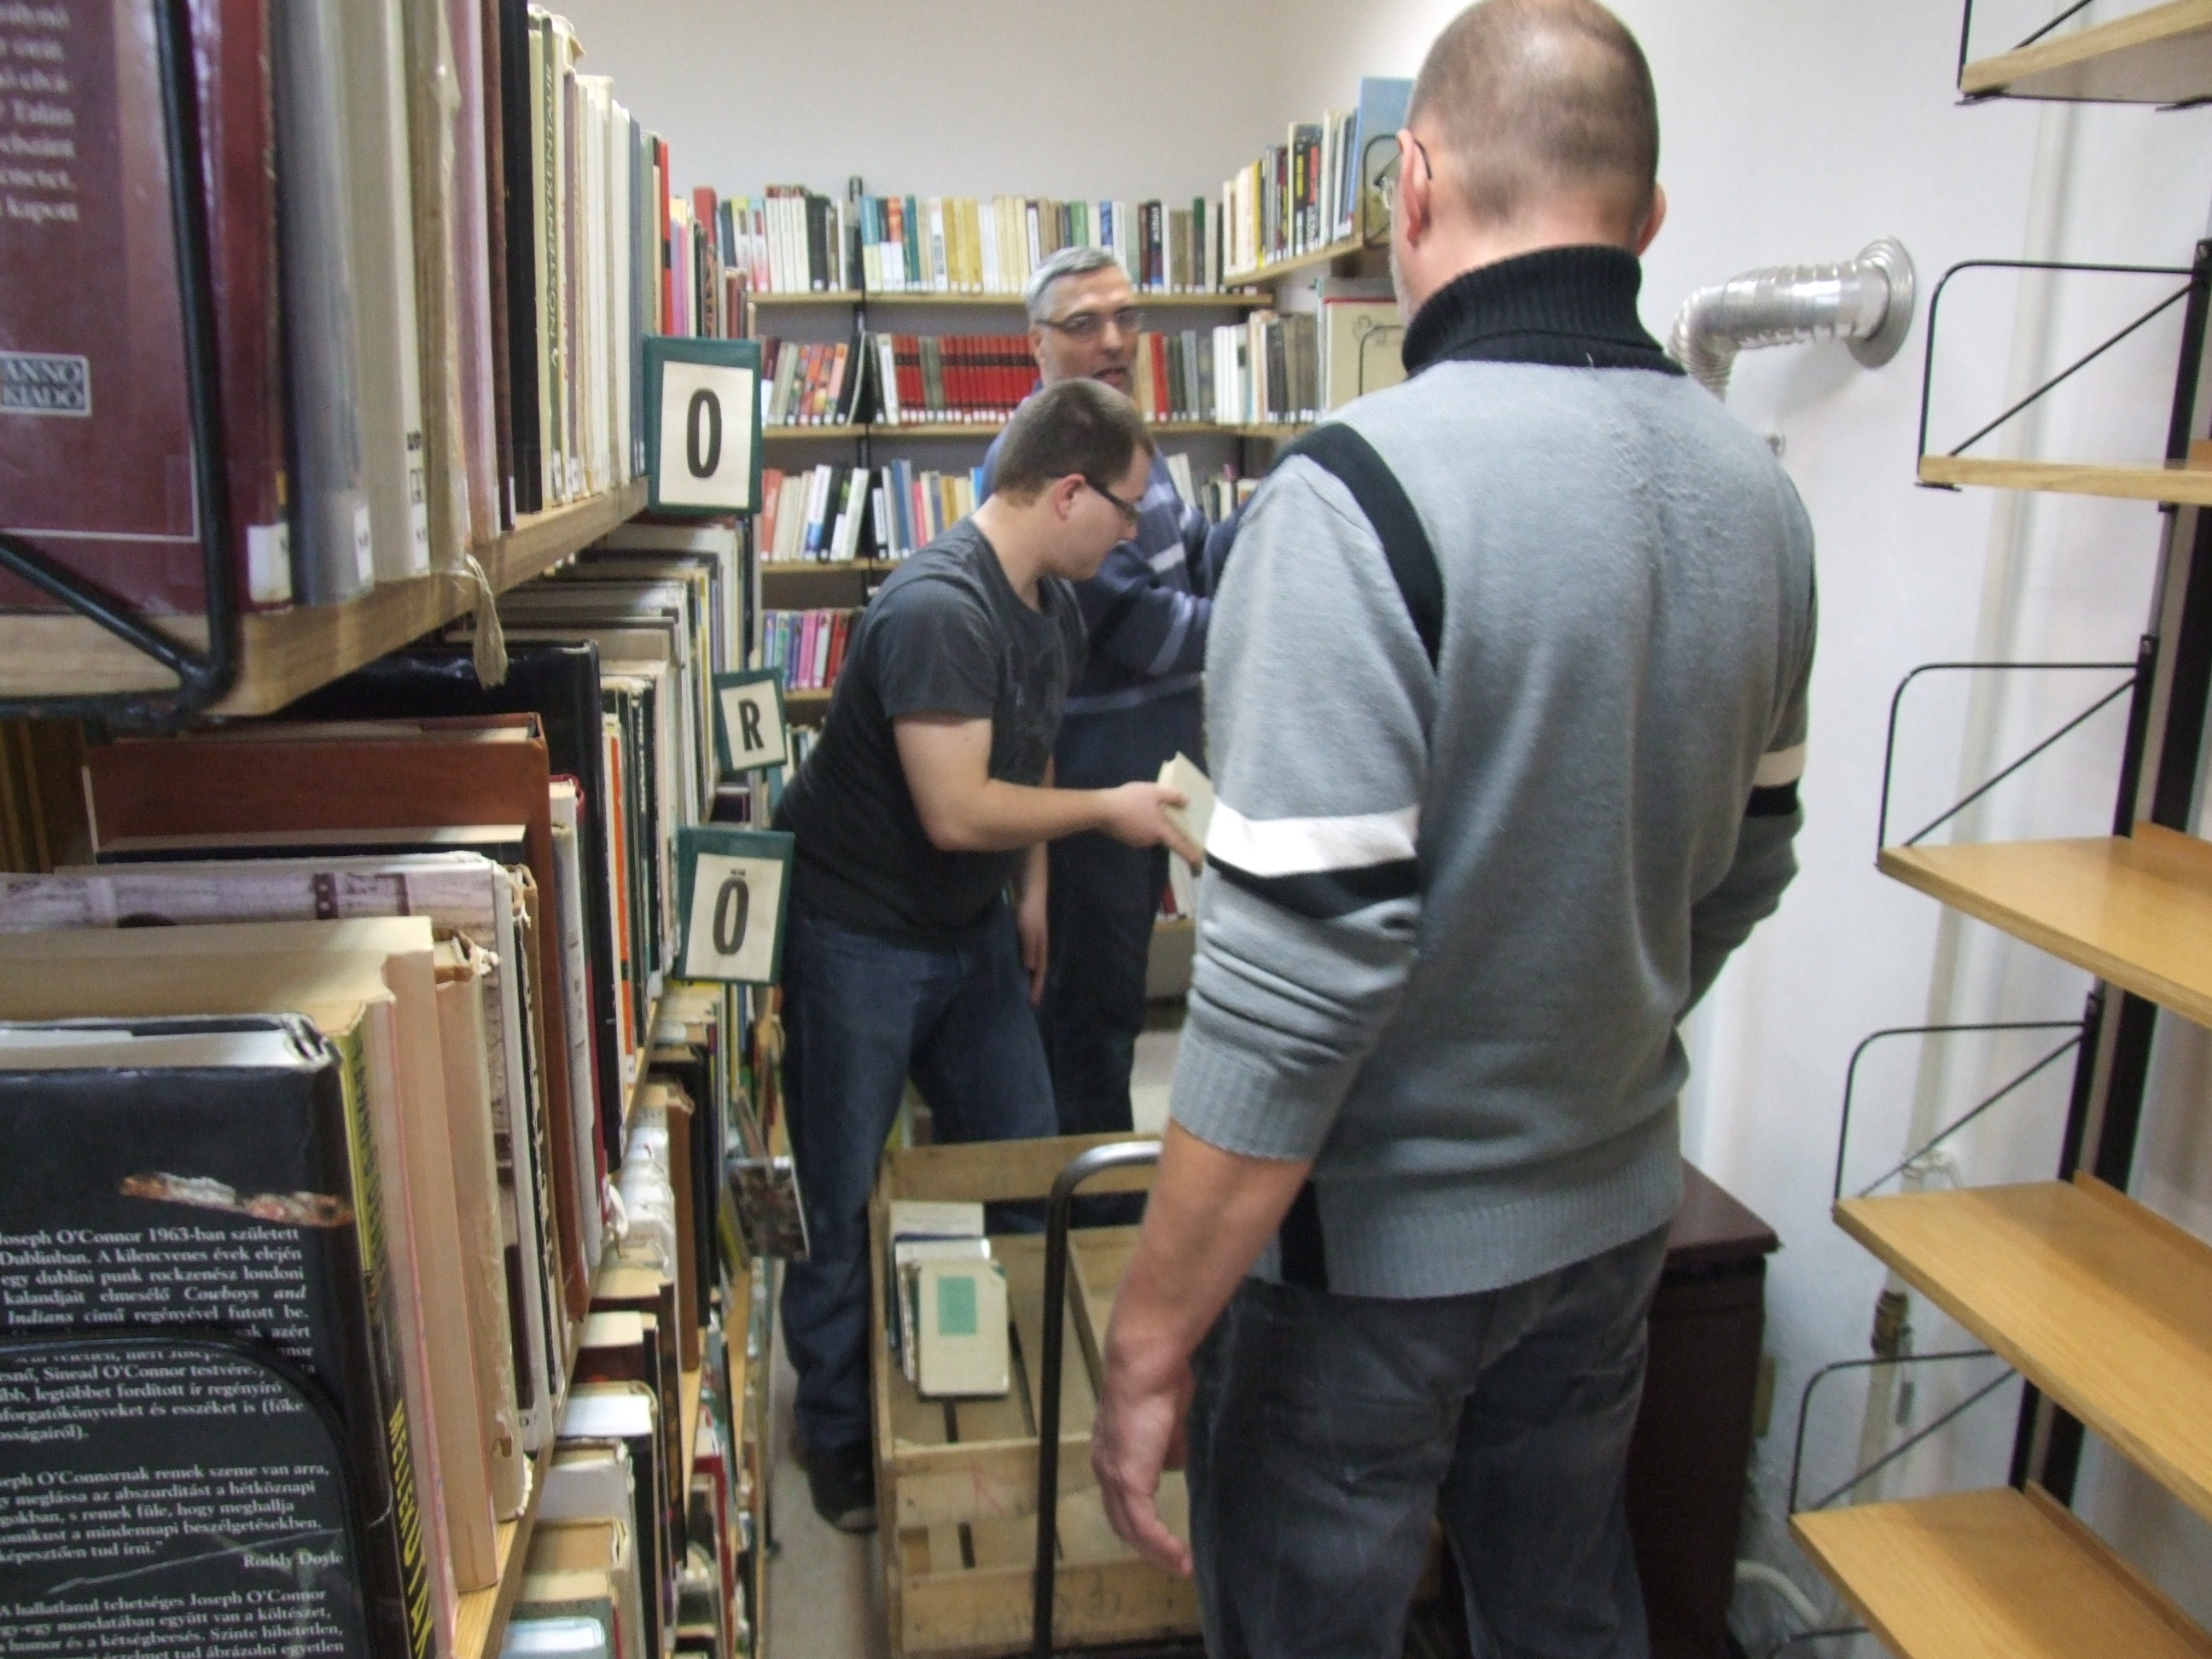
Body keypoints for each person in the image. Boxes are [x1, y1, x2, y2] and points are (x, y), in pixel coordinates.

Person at [1088, 3, 1819, 1656]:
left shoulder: (1352, 497)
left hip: (1364, 1259)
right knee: (1562, 1609)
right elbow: (1749, 860)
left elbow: (1293, 993)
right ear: (1645, 218)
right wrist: (1578, 1036)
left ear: (1410, 185)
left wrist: (1148, 1335)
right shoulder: (1763, 502)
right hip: (1612, 1212)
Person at [772, 375, 1199, 1534]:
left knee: (1021, 1159)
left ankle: (1017, 1381)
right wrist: (1108, 812)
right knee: (839, 1189)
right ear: (1068, 494)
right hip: (857, 933)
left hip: (969, 933)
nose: (1132, 535)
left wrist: (1036, 895)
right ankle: (838, 1430)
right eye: (1126, 509)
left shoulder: (1050, 606)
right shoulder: (938, 610)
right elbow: (958, 808)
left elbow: (1033, 748)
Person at [981, 246, 1229, 1143]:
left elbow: (1196, 550)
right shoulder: (1040, 472)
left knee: (1109, 1011)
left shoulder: (1125, 444)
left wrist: (1279, 520)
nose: (1116, 339)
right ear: (1037, 345)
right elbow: (1141, 629)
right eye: (1084, 323)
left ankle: (1097, 1196)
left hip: (1147, 788)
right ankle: (1088, 1212)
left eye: (1127, 317)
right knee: (1087, 1029)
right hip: (1086, 802)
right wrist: (1270, 617)